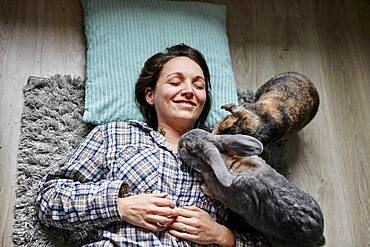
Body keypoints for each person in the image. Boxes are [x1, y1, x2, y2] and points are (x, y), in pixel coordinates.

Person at [36, 44, 267, 246]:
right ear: (150, 94)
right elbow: (49, 199)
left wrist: (222, 235)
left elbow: (273, 231)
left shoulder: (230, 156)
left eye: (199, 86)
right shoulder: (116, 134)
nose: (188, 91)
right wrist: (119, 206)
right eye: (175, 82)